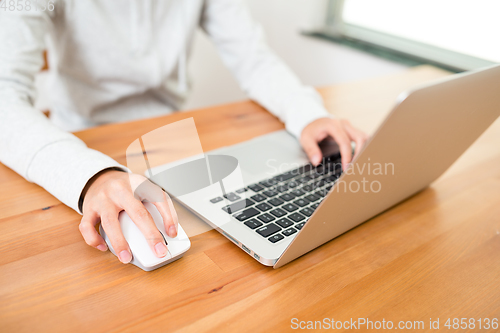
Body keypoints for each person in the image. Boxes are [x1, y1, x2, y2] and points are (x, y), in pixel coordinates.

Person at [0, 0, 368, 264]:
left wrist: (307, 114)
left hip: (172, 145)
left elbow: (253, 58)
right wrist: (90, 176)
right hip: (79, 145)